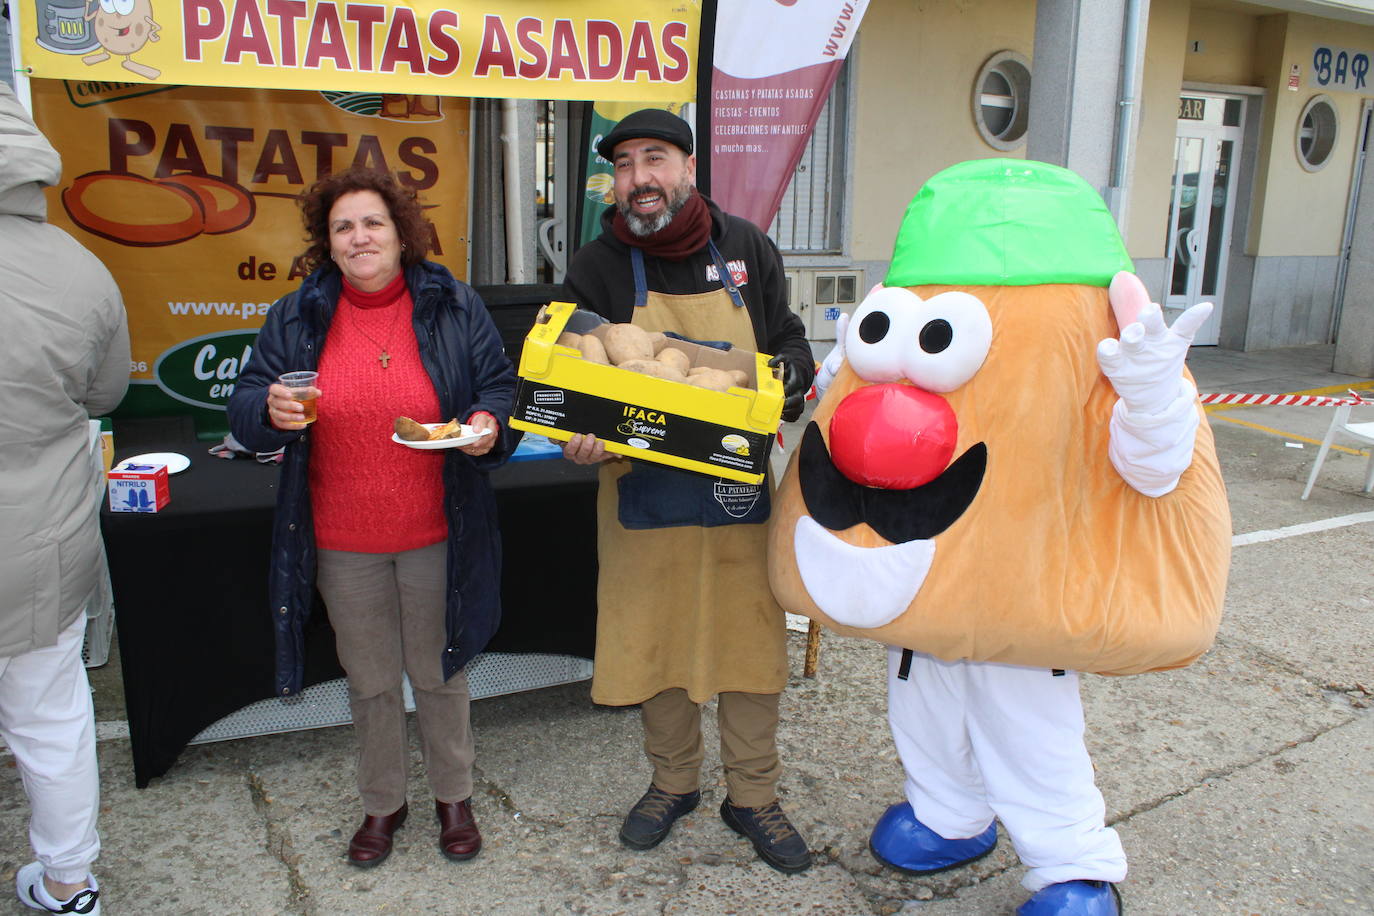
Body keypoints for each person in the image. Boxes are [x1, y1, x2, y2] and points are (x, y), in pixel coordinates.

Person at [228, 166, 517, 869]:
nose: (360, 238)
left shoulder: (452, 303)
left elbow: (498, 387)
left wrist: (486, 422)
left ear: (400, 230)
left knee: (440, 672)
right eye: (343, 227)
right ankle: (383, 802)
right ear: (328, 244)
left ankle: (455, 796)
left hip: (434, 529)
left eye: (372, 222)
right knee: (371, 680)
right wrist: (267, 412)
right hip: (342, 538)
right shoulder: (297, 316)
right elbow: (245, 402)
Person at [560, 108, 815, 873]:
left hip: (738, 487)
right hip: (640, 492)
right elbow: (573, 370)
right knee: (653, 635)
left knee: (749, 641)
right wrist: (575, 427)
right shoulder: (596, 265)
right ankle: (673, 782)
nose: (641, 178)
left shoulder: (745, 248)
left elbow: (791, 341)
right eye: (628, 164)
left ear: (689, 168)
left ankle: (754, 794)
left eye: (656, 159)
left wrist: (787, 381)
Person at [0, 83, 129, 916]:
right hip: (36, 540)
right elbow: (104, 392)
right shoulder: (83, 271)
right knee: (49, 712)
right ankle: (69, 881)